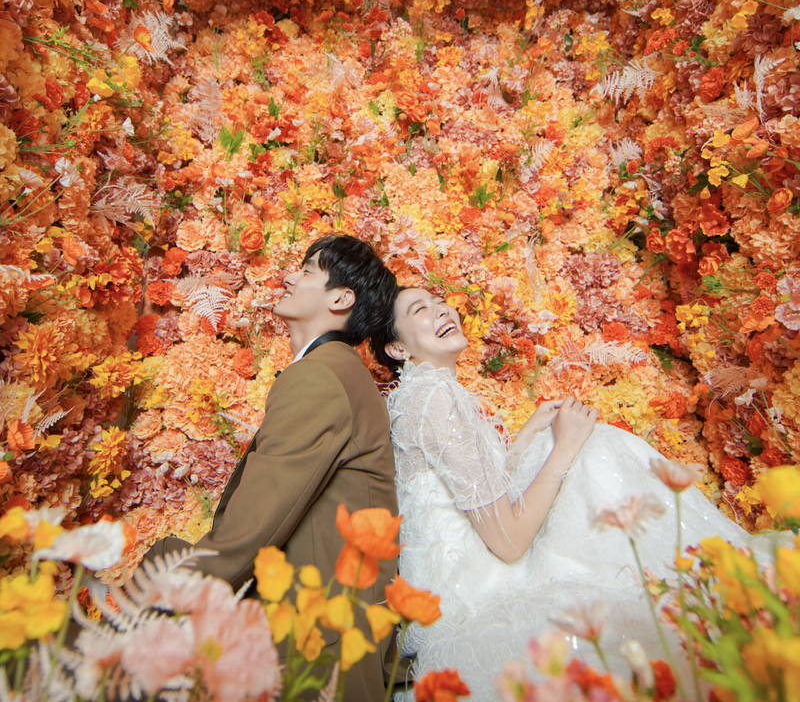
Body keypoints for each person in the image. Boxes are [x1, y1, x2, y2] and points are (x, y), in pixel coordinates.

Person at [371, 286, 773, 702]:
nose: (441, 310)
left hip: (473, 567)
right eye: (420, 309)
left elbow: (473, 493)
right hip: (474, 592)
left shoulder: (427, 392)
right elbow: (508, 542)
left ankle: (702, 576)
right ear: (397, 348)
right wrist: (564, 447)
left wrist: (530, 433)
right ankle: (712, 575)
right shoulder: (433, 398)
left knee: (583, 447)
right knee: (594, 449)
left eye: (440, 301)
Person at [145, 234, 399, 702]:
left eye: (307, 272)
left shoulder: (321, 376)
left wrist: (158, 598)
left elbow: (253, 529)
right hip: (331, 627)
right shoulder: (337, 371)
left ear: (341, 299)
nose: (289, 278)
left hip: (313, 647)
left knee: (158, 572)